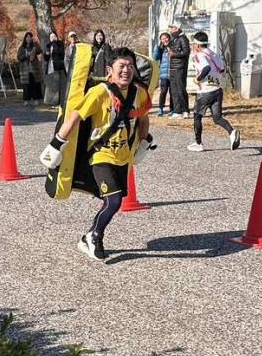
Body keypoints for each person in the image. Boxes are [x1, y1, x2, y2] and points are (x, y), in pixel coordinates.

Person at [39, 47, 154, 263]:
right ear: (110, 70)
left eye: (130, 66)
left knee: (112, 201)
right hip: (101, 155)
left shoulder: (138, 93)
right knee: (114, 201)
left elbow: (143, 116)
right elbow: (75, 116)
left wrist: (144, 142)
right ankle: (95, 236)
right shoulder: (100, 92)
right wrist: (56, 144)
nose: (126, 70)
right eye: (122, 66)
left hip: (122, 156)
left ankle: (87, 237)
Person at [187, 32, 240, 152]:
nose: (193, 46)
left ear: (198, 45)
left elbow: (206, 68)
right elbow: (222, 69)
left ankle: (198, 143)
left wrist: (198, 78)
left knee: (197, 115)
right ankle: (232, 132)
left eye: (194, 44)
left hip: (205, 91)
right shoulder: (214, 54)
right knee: (217, 118)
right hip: (217, 90)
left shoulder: (199, 55)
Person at [167, 25, 190, 116]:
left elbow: (186, 52)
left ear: (177, 28)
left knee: (180, 89)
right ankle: (177, 111)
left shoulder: (183, 38)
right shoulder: (174, 39)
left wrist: (174, 54)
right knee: (174, 91)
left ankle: (185, 110)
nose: (170, 30)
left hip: (180, 67)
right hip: (172, 67)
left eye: (172, 28)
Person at [17, 32, 43, 107]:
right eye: (27, 37)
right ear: (25, 38)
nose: (28, 38)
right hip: (25, 70)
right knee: (26, 86)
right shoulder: (22, 47)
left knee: (35, 85)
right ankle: (26, 100)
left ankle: (36, 100)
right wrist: (26, 55)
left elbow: (39, 52)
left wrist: (35, 47)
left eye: (30, 37)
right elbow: (19, 57)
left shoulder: (35, 45)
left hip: (34, 69)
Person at [43, 30, 66, 107]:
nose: (52, 38)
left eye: (54, 36)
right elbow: (46, 58)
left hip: (58, 67)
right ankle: (51, 102)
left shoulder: (60, 44)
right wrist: (46, 54)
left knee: (58, 85)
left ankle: (58, 102)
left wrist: (54, 44)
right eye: (51, 37)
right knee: (51, 85)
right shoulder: (48, 45)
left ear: (56, 37)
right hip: (50, 66)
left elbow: (61, 54)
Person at [153, 31, 172, 114]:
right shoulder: (161, 49)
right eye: (162, 39)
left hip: (173, 74)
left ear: (169, 38)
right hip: (164, 75)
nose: (164, 40)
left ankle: (172, 108)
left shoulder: (173, 47)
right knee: (163, 92)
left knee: (172, 92)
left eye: (166, 38)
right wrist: (157, 46)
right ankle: (160, 108)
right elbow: (155, 58)